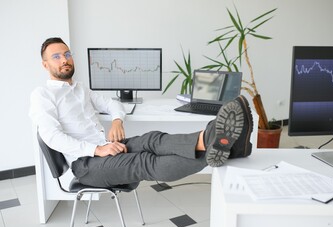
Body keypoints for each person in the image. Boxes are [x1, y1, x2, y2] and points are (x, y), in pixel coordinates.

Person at [29, 37, 253, 188]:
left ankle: (214, 139)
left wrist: (117, 120)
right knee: (143, 161)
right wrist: (97, 149)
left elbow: (112, 104)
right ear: (45, 65)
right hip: (86, 165)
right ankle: (224, 149)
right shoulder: (42, 95)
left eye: (67, 54)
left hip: (106, 147)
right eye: (56, 57)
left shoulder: (79, 88)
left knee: (152, 139)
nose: (64, 60)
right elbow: (52, 137)